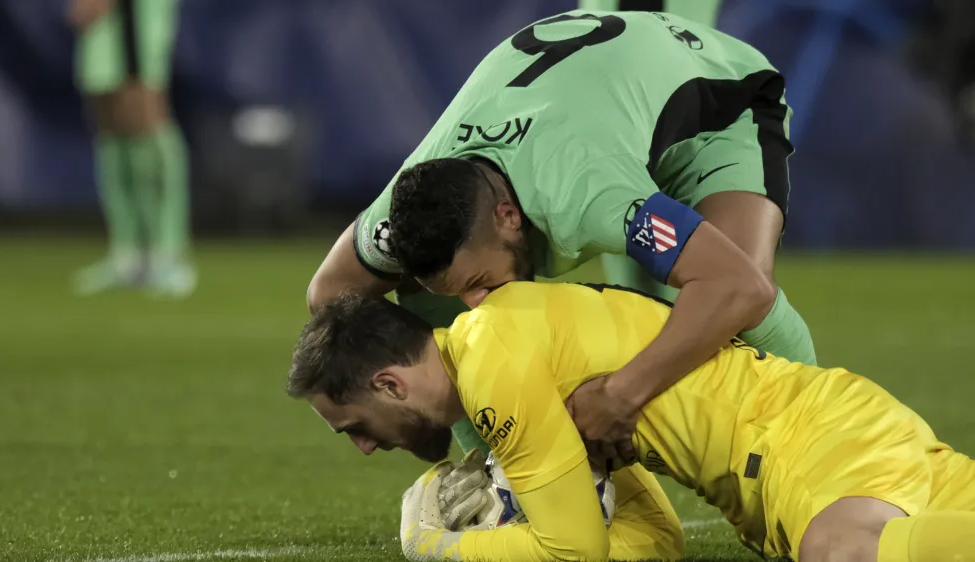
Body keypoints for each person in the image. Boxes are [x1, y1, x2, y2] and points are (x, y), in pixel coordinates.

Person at [306, 9, 816, 466]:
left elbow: (739, 288)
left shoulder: (583, 192)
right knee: (424, 300)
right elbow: (329, 294)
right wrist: (415, 375)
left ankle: (824, 450)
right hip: (593, 100)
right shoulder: (402, 213)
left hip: (719, 105)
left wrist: (621, 394)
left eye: (479, 280)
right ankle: (497, 466)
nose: (476, 304)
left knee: (741, 311)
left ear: (508, 215)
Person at [288, 284, 975, 562]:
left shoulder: (496, 369)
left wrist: (435, 544)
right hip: (833, 431)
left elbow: (570, 550)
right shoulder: (504, 353)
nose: (366, 448)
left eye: (354, 425)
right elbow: (654, 538)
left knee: (840, 551)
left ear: (389, 383)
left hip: (800, 444)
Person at [68, 0, 195, 298]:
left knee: (148, 124)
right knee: (112, 134)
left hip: (135, 19)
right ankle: (128, 255)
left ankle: (169, 254)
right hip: (102, 34)